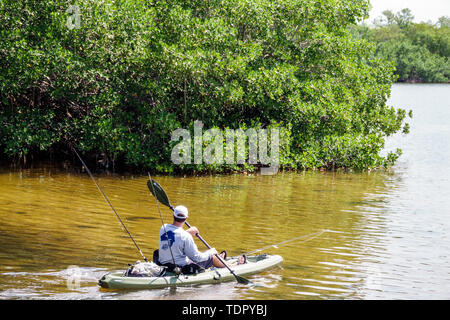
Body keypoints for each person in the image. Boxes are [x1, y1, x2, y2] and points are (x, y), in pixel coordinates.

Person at [156, 205, 246, 274]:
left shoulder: (163, 227)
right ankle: (234, 265)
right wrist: (211, 252)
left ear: (173, 216)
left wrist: (188, 232)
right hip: (180, 267)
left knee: (201, 254)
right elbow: (197, 258)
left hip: (164, 264)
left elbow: (175, 236)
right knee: (212, 257)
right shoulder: (185, 236)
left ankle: (220, 260)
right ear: (186, 218)